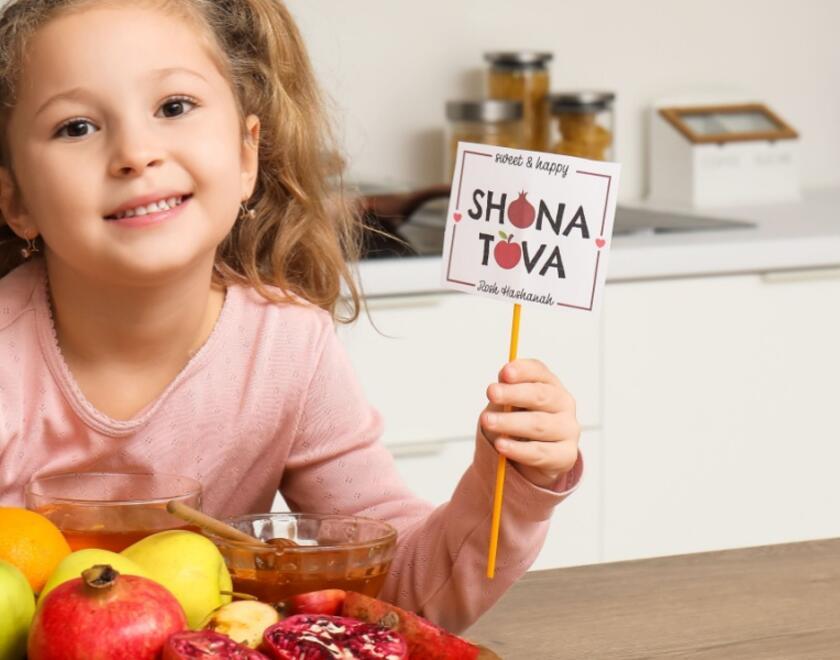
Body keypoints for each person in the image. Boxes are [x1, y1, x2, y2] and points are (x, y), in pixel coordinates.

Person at [0, 0, 582, 632]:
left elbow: (397, 595)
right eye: (77, 127)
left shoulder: (286, 348)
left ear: (247, 155)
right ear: (17, 200)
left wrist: (509, 486)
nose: (136, 153)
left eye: (173, 107)